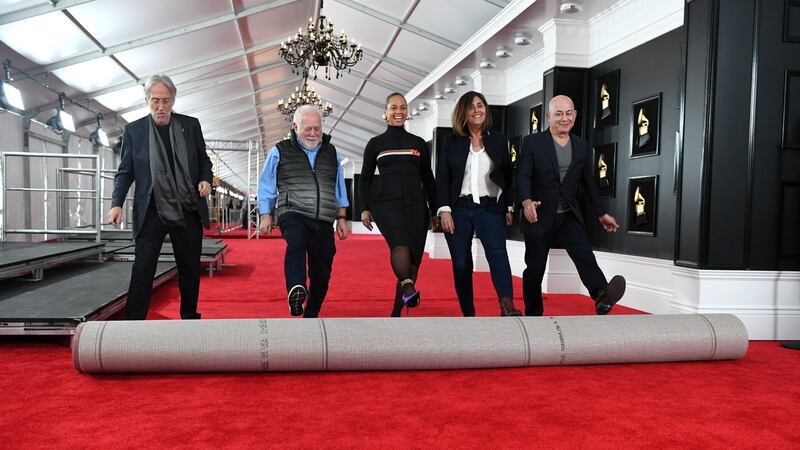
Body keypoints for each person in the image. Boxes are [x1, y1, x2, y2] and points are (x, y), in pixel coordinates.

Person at [108, 74, 213, 320]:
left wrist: (205, 179)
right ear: (146, 100)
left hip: (187, 209)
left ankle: (189, 317)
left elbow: (203, 161)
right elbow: (125, 172)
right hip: (151, 211)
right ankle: (134, 322)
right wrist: (116, 204)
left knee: (189, 271)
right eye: (155, 100)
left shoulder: (191, 125)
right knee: (142, 270)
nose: (161, 106)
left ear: (173, 100)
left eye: (166, 100)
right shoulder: (134, 131)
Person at [516, 94, 626, 316]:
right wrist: (526, 201)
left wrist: (601, 213)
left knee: (584, 253)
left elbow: (588, 183)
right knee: (535, 269)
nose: (564, 118)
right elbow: (523, 176)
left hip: (568, 214)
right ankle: (533, 316)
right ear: (548, 116)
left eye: (568, 113)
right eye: (558, 114)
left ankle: (601, 296)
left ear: (574, 115)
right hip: (538, 214)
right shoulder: (533, 142)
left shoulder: (581, 145)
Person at [258, 104, 349, 318]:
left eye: (317, 128)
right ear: (295, 126)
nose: (313, 133)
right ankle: (296, 288)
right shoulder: (279, 150)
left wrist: (342, 217)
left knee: (322, 271)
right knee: (297, 242)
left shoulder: (331, 151)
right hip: (293, 211)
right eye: (308, 128)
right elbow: (267, 184)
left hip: (324, 218)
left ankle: (311, 313)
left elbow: (339, 186)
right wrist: (266, 214)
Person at [435, 91, 521, 317]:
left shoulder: (499, 139)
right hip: (458, 209)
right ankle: (468, 313)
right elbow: (442, 177)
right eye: (471, 106)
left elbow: (508, 176)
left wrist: (509, 206)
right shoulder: (450, 141)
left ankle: (507, 305)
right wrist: (444, 209)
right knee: (462, 263)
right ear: (463, 112)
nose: (477, 110)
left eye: (480, 105)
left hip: (490, 208)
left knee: (498, 254)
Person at [359, 93, 436, 317]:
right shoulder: (375, 144)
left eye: (402, 107)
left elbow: (428, 179)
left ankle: (397, 309)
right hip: (387, 205)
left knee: (413, 260)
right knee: (400, 245)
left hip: (417, 206)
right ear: (385, 112)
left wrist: (435, 209)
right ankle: (408, 287)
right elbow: (364, 179)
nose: (398, 111)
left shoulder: (418, 144)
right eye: (393, 107)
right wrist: (364, 207)